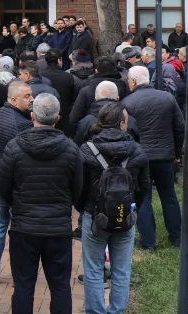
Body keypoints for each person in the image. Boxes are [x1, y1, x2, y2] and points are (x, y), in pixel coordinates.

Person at [0, 93, 81, 314]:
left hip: (24, 227)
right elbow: (78, 188)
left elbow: (3, 187)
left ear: (32, 116)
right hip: (58, 227)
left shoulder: (14, 147)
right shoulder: (71, 150)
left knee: (24, 286)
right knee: (61, 286)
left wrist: (17, 204)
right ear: (58, 118)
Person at [76, 104, 150, 314]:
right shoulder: (136, 150)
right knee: (121, 269)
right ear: (122, 123)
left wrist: (85, 209)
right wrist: (133, 208)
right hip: (125, 216)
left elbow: (79, 186)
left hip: (95, 216)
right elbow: (144, 187)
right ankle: (116, 310)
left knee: (93, 268)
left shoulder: (87, 149)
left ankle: (96, 311)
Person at [122, 66, 184, 250]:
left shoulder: (128, 102)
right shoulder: (167, 98)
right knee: (169, 195)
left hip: (141, 157)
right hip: (165, 155)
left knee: (143, 197)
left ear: (133, 82)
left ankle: (149, 241)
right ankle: (177, 237)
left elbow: (126, 132)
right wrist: (177, 152)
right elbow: (180, 127)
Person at [0, 81, 34, 285]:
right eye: (27, 96)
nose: (31, 100)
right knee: (19, 230)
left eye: (31, 95)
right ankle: (21, 272)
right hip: (17, 186)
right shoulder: (22, 124)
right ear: (13, 99)